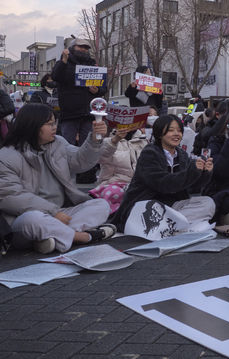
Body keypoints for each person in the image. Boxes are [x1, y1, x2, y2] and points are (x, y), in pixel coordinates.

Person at [0, 103, 116, 254]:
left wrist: (95, 139)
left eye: (55, 122)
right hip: (24, 218)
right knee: (33, 219)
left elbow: (81, 161)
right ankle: (83, 237)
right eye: (49, 124)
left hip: (61, 213)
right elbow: (12, 197)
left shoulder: (58, 143)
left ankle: (51, 238)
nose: (54, 127)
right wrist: (52, 212)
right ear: (32, 125)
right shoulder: (6, 156)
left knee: (101, 205)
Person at [112, 115, 215, 232]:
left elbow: (193, 188)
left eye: (179, 130)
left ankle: (171, 227)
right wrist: (192, 171)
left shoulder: (182, 155)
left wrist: (205, 172)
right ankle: (180, 226)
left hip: (171, 207)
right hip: (148, 206)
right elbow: (164, 184)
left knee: (208, 202)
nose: (177, 134)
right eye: (171, 130)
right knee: (154, 213)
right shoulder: (150, 153)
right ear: (160, 133)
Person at [51, 38, 106, 147]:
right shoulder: (65, 63)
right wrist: (63, 61)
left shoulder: (93, 65)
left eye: (86, 48)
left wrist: (97, 90)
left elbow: (104, 87)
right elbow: (55, 76)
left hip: (88, 114)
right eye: (80, 46)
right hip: (70, 114)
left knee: (87, 145)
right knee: (66, 145)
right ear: (72, 48)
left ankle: (85, 164)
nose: (83, 49)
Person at [90, 127, 149, 213]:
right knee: (112, 193)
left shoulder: (144, 140)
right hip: (116, 183)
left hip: (138, 184)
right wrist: (114, 141)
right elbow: (101, 158)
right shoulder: (109, 140)